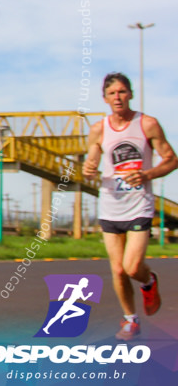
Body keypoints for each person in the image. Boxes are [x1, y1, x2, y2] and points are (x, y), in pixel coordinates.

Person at [82, 72, 177, 341]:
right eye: (112, 93)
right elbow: (91, 163)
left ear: (131, 94)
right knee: (118, 269)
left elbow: (171, 160)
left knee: (133, 267)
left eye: (122, 92)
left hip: (139, 205)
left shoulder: (147, 124)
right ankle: (130, 319)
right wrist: (89, 168)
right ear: (105, 99)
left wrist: (146, 174)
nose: (118, 97)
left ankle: (149, 282)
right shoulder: (99, 129)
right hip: (111, 206)